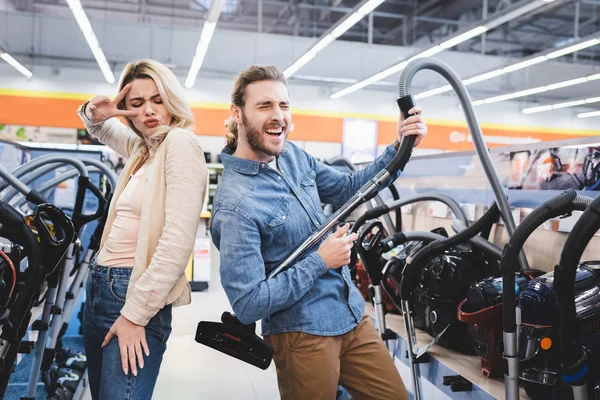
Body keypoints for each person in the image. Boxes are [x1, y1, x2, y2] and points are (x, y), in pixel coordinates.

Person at [211, 65, 427, 400]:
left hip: (351, 316)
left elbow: (348, 188)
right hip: (302, 335)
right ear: (237, 113)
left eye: (283, 105)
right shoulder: (236, 204)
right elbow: (248, 305)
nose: (278, 116)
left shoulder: (294, 156)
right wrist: (320, 262)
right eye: (265, 105)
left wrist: (401, 145)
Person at [77, 59, 207, 399]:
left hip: (133, 293)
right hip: (101, 288)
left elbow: (177, 243)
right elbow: (99, 127)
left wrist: (135, 315)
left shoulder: (179, 143)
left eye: (157, 99)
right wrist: (96, 109)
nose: (148, 110)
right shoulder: (144, 148)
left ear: (171, 99)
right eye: (136, 104)